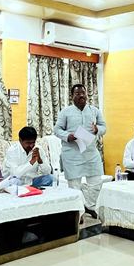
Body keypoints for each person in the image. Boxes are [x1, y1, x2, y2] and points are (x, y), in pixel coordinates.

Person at [54, 84, 106, 218]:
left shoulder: (94, 111)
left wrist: (97, 129)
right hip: (72, 154)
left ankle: (90, 206)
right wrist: (68, 136)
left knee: (95, 183)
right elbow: (57, 129)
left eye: (83, 93)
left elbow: (103, 127)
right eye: (77, 93)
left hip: (90, 153)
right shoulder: (65, 112)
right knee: (74, 186)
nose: (81, 95)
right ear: (72, 96)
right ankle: (78, 213)